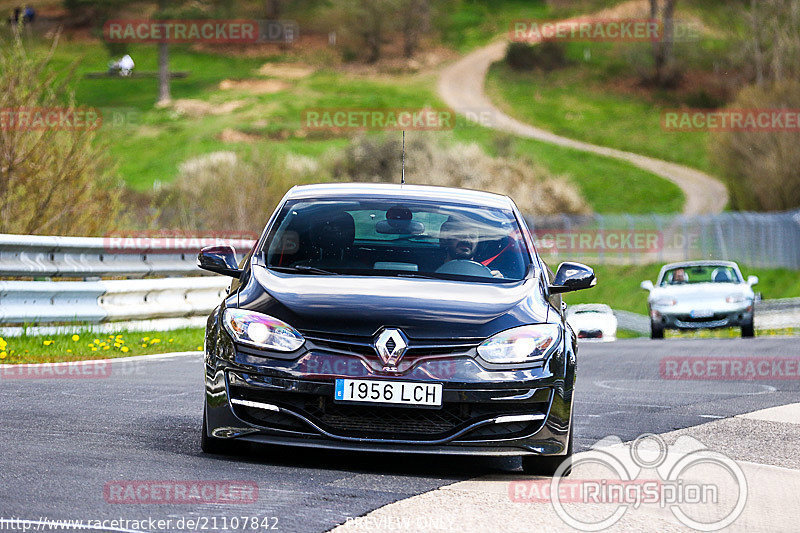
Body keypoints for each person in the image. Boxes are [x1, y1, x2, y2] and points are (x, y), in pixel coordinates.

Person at [439, 219, 503, 277]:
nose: (466, 240)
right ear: (446, 238)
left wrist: (498, 281)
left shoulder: (488, 273)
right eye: (459, 234)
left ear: (478, 242)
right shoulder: (430, 271)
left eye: (472, 236)